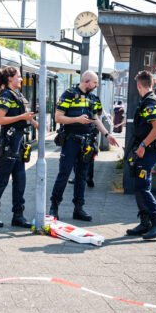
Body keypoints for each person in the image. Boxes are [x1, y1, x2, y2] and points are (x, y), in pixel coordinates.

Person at [49, 71, 118, 221]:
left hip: (87, 142)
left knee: (82, 177)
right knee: (64, 174)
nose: (96, 85)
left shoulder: (94, 98)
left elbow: (96, 119)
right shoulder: (68, 94)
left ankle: (78, 208)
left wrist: (107, 134)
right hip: (71, 141)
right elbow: (58, 117)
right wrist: (77, 120)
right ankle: (54, 207)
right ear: (86, 81)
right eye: (95, 83)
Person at [0, 66, 38, 228]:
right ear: (10, 79)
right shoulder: (5, 95)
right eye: (18, 77)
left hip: (19, 141)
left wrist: (33, 122)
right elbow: (0, 120)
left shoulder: (18, 95)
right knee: (1, 180)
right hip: (9, 142)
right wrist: (22, 117)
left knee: (20, 180)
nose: (21, 79)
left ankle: (18, 215)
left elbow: (22, 117)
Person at [125, 70, 156, 240]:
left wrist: (144, 144)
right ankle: (145, 222)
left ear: (138, 85)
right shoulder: (155, 100)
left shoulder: (150, 103)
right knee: (139, 185)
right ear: (152, 84)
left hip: (148, 151)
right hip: (149, 149)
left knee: (143, 186)